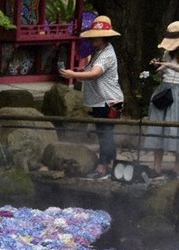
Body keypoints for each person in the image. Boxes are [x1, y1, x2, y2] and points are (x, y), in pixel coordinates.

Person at [59, 15, 124, 179]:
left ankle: (103, 167)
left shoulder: (107, 54)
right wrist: (77, 72)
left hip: (110, 100)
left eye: (97, 36)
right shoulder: (97, 52)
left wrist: (73, 74)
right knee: (104, 133)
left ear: (104, 37)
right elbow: (88, 71)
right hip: (101, 99)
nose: (94, 38)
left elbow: (95, 73)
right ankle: (111, 164)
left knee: (105, 133)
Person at [144, 21, 179, 180]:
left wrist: (169, 65)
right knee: (158, 127)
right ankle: (156, 167)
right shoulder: (167, 53)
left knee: (177, 129)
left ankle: (177, 168)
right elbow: (161, 73)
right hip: (164, 90)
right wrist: (157, 67)